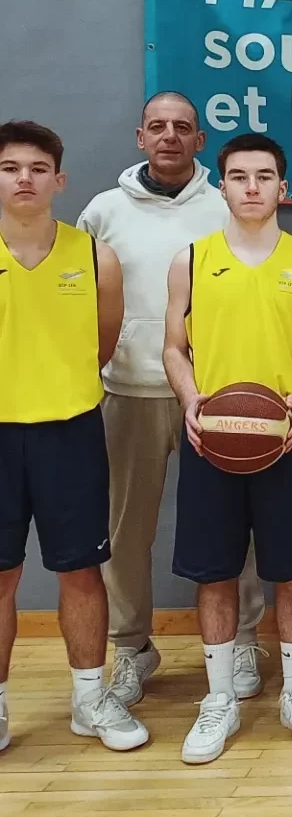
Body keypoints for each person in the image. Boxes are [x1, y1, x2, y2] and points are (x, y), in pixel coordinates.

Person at [77, 92, 266, 707]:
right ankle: (132, 648)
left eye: (182, 128)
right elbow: (80, 300)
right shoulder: (103, 212)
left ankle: (241, 639)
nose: (169, 137)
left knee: (233, 527)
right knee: (125, 532)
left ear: (199, 141)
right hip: (128, 393)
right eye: (157, 127)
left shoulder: (223, 206)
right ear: (139, 137)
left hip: (213, 396)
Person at [163, 134, 292, 762]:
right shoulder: (192, 258)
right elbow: (173, 348)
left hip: (286, 434)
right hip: (212, 438)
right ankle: (219, 701)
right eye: (239, 177)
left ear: (283, 188)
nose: (252, 187)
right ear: (223, 185)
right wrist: (190, 399)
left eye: (264, 177)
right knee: (213, 571)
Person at [0, 120, 147, 752]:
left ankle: (91, 699)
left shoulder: (94, 255)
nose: (24, 178)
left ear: (59, 179)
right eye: (9, 167)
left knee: (82, 571)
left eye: (37, 168)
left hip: (70, 430)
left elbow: (102, 343)